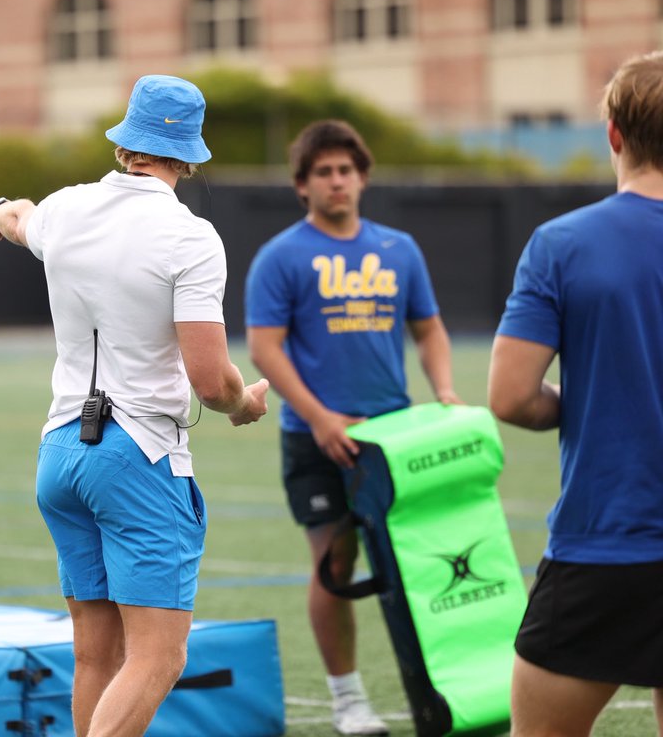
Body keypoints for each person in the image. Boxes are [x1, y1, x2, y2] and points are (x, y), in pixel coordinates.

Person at [0, 74, 269, 737]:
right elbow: (209, 381)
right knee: (159, 658)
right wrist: (243, 404)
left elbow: (17, 219)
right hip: (137, 459)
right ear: (188, 156)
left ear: (123, 145)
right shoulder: (191, 238)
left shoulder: (67, 208)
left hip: (61, 452)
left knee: (96, 657)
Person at [244, 120, 462, 736]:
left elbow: (429, 329)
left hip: (394, 438)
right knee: (334, 567)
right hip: (314, 440)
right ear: (301, 186)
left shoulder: (399, 250)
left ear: (362, 177)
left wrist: (443, 391)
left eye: (346, 170)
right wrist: (320, 418)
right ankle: (348, 700)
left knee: (417, 564)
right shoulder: (282, 256)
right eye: (323, 172)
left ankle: (437, 687)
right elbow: (265, 348)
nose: (336, 181)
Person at [488, 51, 663, 737]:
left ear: (613, 135)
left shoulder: (562, 244)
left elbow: (510, 396)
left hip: (606, 542)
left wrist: (593, 402)